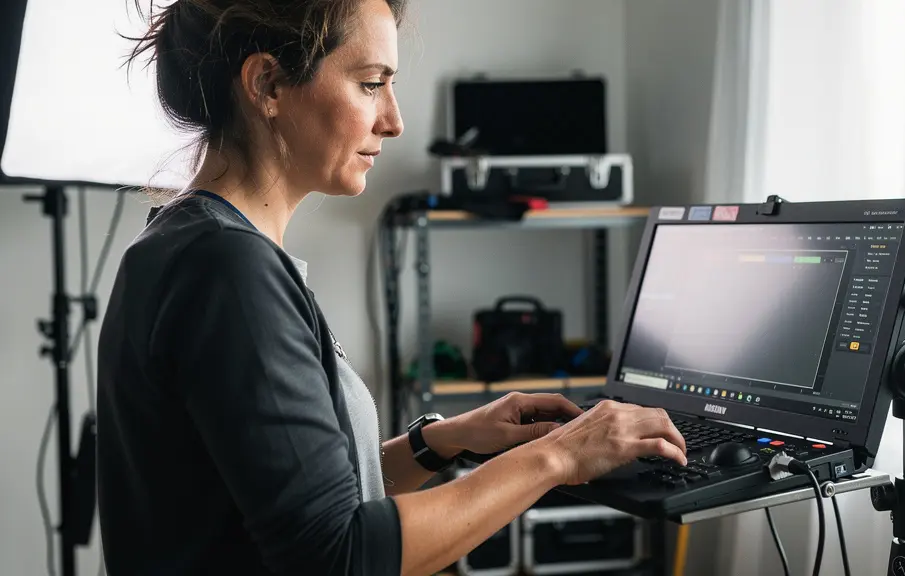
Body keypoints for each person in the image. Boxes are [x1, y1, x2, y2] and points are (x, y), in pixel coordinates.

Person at [96, 0, 689, 574]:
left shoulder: (190, 243)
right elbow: (341, 556)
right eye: (371, 84)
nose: (395, 121)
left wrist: (442, 441)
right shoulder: (227, 270)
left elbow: (296, 502)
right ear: (268, 85)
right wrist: (560, 455)